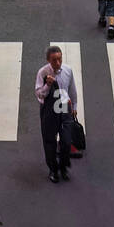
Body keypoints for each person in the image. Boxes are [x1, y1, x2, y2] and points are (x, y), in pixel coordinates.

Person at [35, 46, 78, 182]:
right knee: (49, 141)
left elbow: (72, 89)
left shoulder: (68, 71)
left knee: (66, 141)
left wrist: (75, 106)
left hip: (64, 108)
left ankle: (63, 167)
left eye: (59, 59)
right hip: (49, 111)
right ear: (48, 60)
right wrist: (47, 85)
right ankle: (53, 169)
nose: (57, 63)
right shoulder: (42, 73)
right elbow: (39, 94)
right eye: (54, 60)